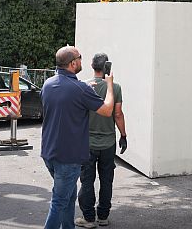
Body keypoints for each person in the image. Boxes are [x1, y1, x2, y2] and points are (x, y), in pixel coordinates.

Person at [41, 46, 115, 229]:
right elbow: (107, 110)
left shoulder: (48, 84)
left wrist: (84, 89)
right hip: (69, 157)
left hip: (49, 154)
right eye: (80, 57)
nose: (82, 61)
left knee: (69, 196)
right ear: (73, 63)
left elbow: (66, 99)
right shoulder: (80, 89)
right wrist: (110, 85)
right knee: (59, 201)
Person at [76, 53, 127, 228]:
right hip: (108, 143)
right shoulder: (116, 88)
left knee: (87, 180)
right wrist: (123, 135)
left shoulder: (84, 86)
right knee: (107, 180)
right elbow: (118, 114)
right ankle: (103, 216)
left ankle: (88, 218)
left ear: (92, 66)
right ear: (108, 68)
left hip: (87, 143)